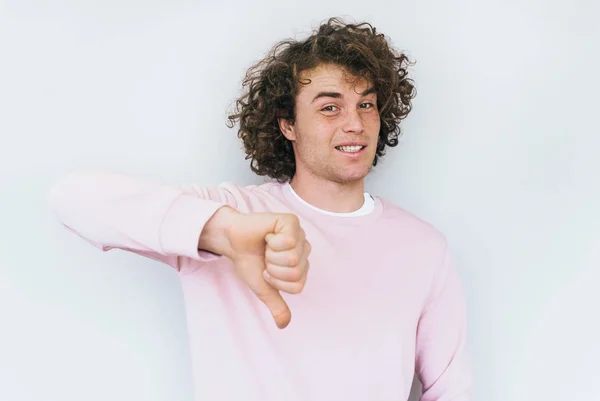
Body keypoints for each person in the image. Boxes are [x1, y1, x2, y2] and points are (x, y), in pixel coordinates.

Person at [48, 17, 472, 401]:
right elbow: (72, 198)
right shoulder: (232, 212)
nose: (355, 123)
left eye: (366, 103)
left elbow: (452, 388)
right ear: (287, 124)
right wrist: (221, 232)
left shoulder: (424, 247)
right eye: (330, 107)